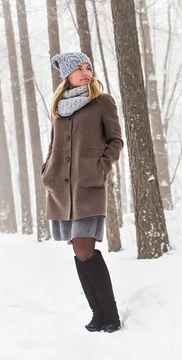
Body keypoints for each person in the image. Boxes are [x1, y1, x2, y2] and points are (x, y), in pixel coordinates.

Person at [41, 51, 124, 333]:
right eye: (79, 68)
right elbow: (53, 147)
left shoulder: (102, 102)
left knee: (85, 249)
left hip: (88, 186)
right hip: (62, 189)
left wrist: (101, 167)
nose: (86, 72)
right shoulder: (58, 109)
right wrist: (47, 171)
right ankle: (97, 314)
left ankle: (109, 315)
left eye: (88, 67)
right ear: (67, 75)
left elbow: (115, 141)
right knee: (78, 252)